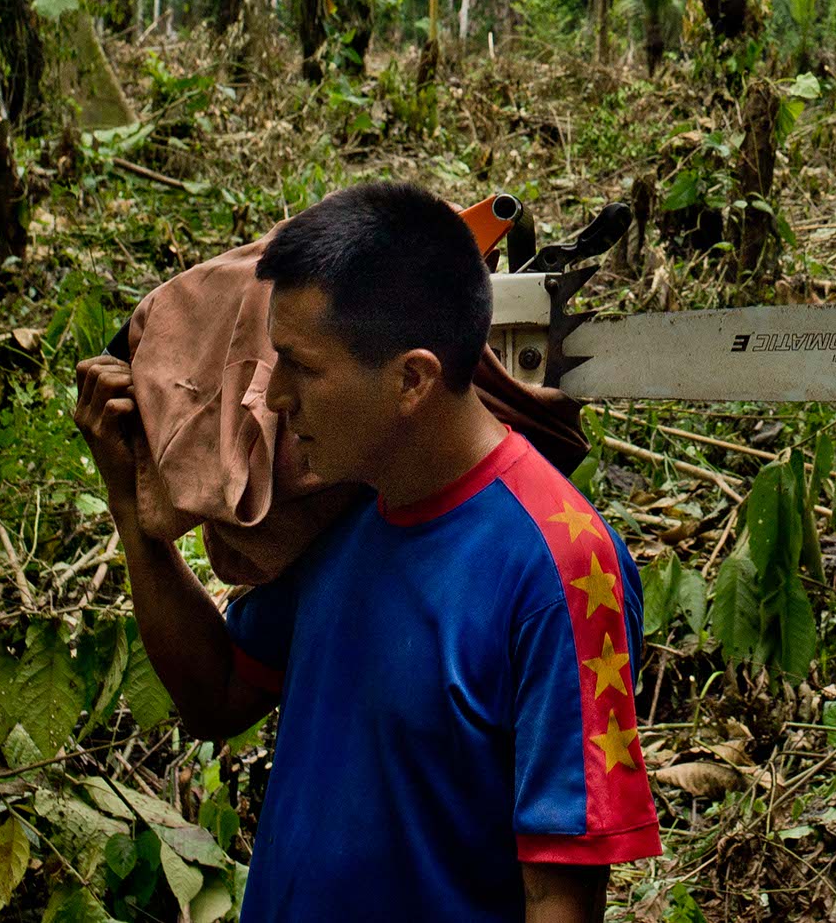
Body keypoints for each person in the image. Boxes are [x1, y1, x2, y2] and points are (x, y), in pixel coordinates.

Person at [74, 180, 658, 923]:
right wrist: (133, 510)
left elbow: (559, 895)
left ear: (412, 378)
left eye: (301, 366)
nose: (272, 396)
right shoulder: (347, 510)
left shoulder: (562, 566)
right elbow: (216, 696)